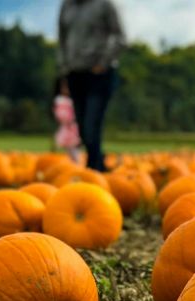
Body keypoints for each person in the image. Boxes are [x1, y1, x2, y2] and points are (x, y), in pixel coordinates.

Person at [57, 0, 126, 172]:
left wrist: (103, 62)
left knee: (91, 123)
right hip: (74, 73)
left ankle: (93, 167)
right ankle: (98, 164)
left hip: (99, 73)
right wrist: (64, 69)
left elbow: (120, 37)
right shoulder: (67, 6)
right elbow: (62, 39)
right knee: (81, 126)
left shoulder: (105, 5)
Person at [52, 81, 82, 164]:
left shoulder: (74, 100)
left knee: (73, 145)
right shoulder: (60, 100)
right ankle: (57, 161)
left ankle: (75, 161)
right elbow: (59, 113)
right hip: (65, 126)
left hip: (73, 127)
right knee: (59, 143)